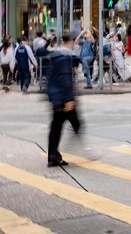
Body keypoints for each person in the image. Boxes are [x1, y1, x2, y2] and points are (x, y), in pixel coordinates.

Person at [47, 34, 81, 167]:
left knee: (56, 126)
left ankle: (53, 155)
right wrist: (69, 99)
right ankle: (75, 149)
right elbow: (64, 78)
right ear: (70, 42)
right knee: (76, 124)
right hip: (63, 98)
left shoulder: (56, 54)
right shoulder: (64, 56)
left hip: (56, 97)